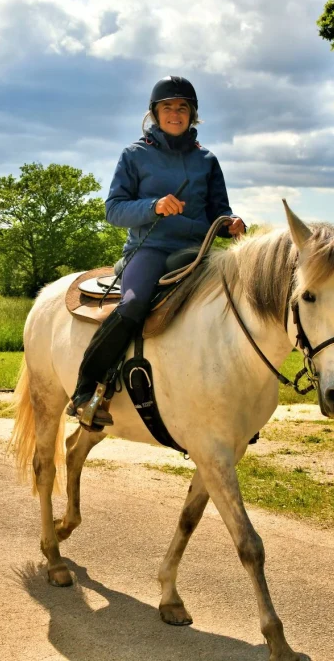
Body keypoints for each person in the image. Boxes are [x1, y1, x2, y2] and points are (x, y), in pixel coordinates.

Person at [69, 76, 245, 426]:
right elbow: (114, 209)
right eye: (167, 108)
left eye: (182, 108)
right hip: (149, 249)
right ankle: (85, 392)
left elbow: (219, 210)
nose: (175, 114)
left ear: (192, 115)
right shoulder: (135, 155)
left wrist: (231, 223)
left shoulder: (207, 160)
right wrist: (154, 206)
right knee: (133, 304)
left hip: (197, 251)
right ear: (154, 114)